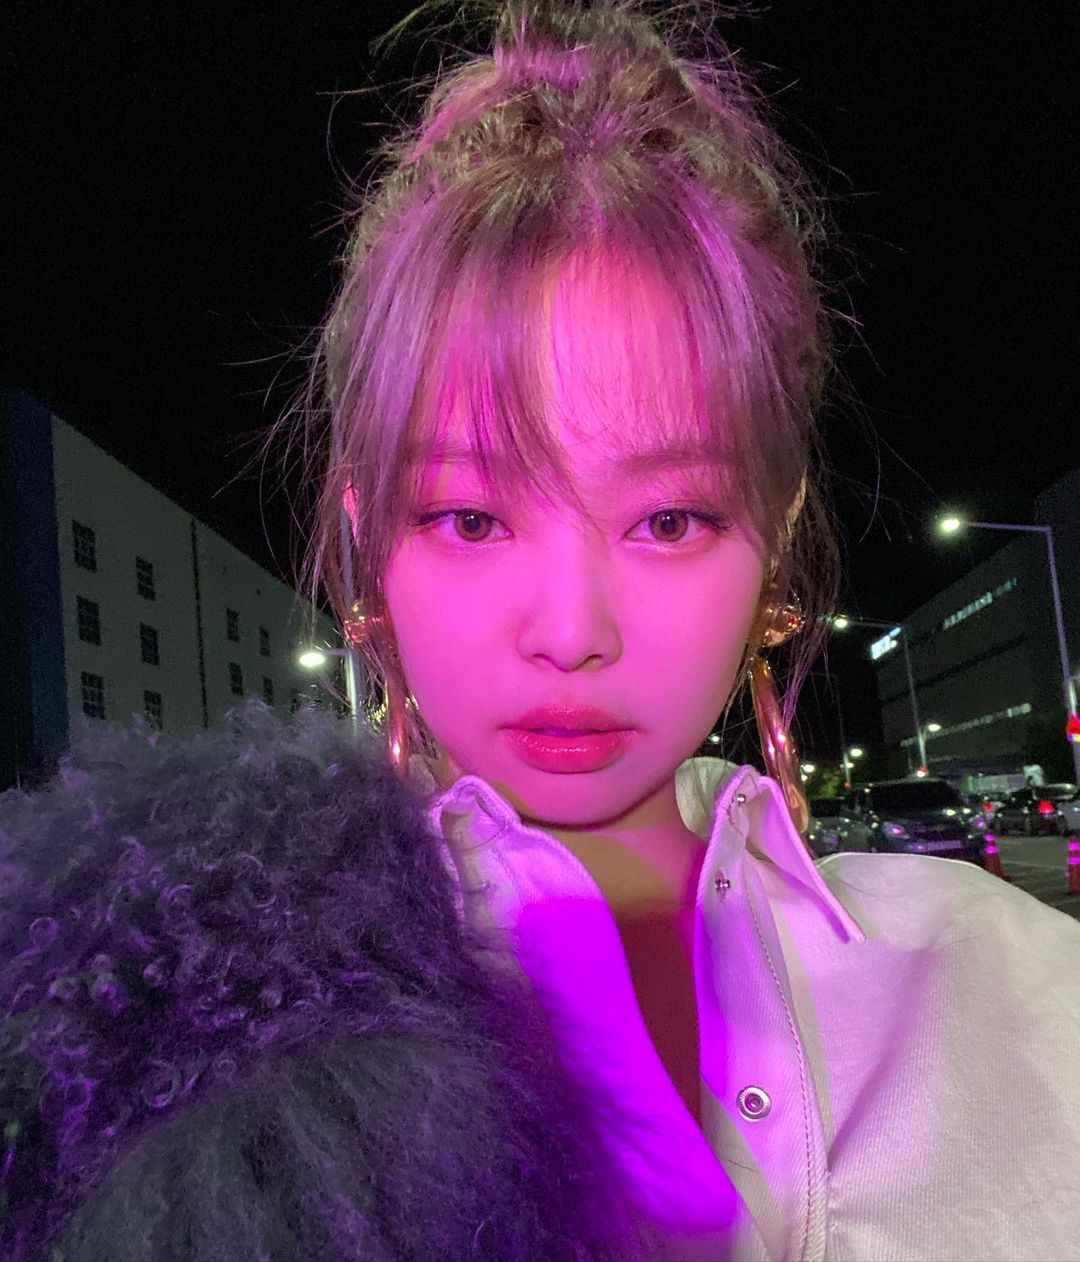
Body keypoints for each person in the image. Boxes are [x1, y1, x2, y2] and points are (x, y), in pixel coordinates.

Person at [3, 1, 1080, 1259]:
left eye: (669, 519)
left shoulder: (1021, 986)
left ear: (779, 528)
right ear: (366, 531)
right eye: (469, 517)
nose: (570, 631)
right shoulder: (158, 1036)